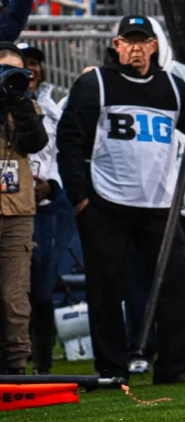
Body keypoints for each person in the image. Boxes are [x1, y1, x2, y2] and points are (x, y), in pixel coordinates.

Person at [57, 16, 185, 384]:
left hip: (159, 204)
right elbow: (69, 139)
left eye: (142, 41)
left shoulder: (172, 86)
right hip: (106, 201)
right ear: (116, 46)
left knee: (176, 283)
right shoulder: (94, 83)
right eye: (127, 42)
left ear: (153, 46)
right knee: (105, 288)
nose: (135, 48)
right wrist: (80, 197)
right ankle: (112, 368)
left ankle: (174, 366)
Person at [19, 43, 76, 375]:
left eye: (35, 63)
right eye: (23, 64)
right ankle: (14, 359)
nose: (30, 70)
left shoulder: (54, 108)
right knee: (14, 287)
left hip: (47, 206)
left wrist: (51, 186)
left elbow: (61, 153)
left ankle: (43, 363)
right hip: (11, 204)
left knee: (42, 287)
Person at [0, 43, 49, 375]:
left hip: (17, 212)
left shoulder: (26, 105)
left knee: (14, 297)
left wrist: (17, 100)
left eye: (18, 71)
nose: (11, 76)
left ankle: (16, 369)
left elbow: (36, 142)